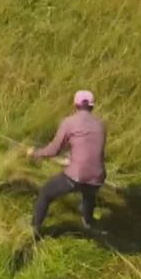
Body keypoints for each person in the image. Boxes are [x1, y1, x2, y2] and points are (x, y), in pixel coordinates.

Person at [28, 90, 107, 239]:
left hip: (76, 177)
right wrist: (70, 160)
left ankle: (34, 229)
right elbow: (93, 152)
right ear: (92, 107)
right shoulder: (101, 125)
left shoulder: (69, 122)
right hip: (98, 178)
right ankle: (88, 222)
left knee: (45, 193)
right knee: (89, 192)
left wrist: (35, 153)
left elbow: (53, 150)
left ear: (75, 105)